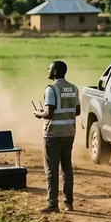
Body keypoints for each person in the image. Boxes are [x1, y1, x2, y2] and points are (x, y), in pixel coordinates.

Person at [33, 60, 80, 213]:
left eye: (49, 69)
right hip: (69, 133)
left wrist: (39, 114)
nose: (47, 71)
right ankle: (69, 203)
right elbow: (77, 111)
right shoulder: (74, 88)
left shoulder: (51, 89)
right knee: (67, 167)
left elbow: (49, 113)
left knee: (51, 170)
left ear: (54, 72)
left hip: (53, 134)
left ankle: (53, 205)